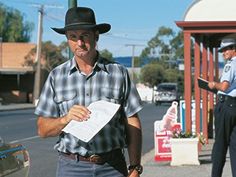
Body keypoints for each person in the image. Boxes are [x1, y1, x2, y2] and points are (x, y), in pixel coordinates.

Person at [35, 7, 143, 177]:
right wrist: (66, 119)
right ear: (67, 40)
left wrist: (135, 166)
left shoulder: (119, 73)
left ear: (96, 35)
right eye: (73, 37)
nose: (79, 43)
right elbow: (42, 129)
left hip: (112, 167)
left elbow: (132, 121)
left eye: (84, 35)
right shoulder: (56, 76)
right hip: (71, 167)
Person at [208, 38, 236, 177]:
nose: (223, 53)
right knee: (235, 146)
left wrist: (214, 85)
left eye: (226, 49)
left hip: (226, 105)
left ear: (234, 49)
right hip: (235, 106)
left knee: (220, 144)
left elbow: (224, 86)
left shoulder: (230, 64)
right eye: (222, 50)